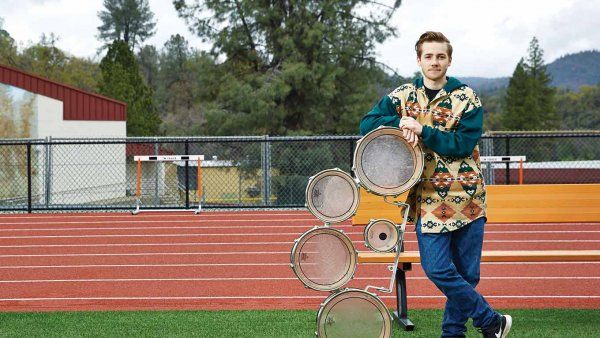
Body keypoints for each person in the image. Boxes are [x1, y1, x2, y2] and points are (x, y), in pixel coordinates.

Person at [359, 31, 512, 338]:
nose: (434, 62)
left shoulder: (468, 98)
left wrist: (423, 130)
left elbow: (462, 144)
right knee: (438, 268)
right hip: (428, 200)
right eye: (428, 56)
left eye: (440, 56)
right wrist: (400, 122)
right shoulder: (403, 95)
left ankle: (452, 332)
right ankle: (490, 320)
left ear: (449, 60)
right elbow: (366, 123)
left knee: (467, 274)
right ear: (419, 60)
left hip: (468, 199)